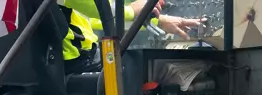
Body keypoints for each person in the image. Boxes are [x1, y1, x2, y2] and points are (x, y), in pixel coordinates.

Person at [66, 0, 202, 37]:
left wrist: (158, 21)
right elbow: (97, 6)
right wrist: (130, 11)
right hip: (76, 63)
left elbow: (99, 20)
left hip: (75, 62)